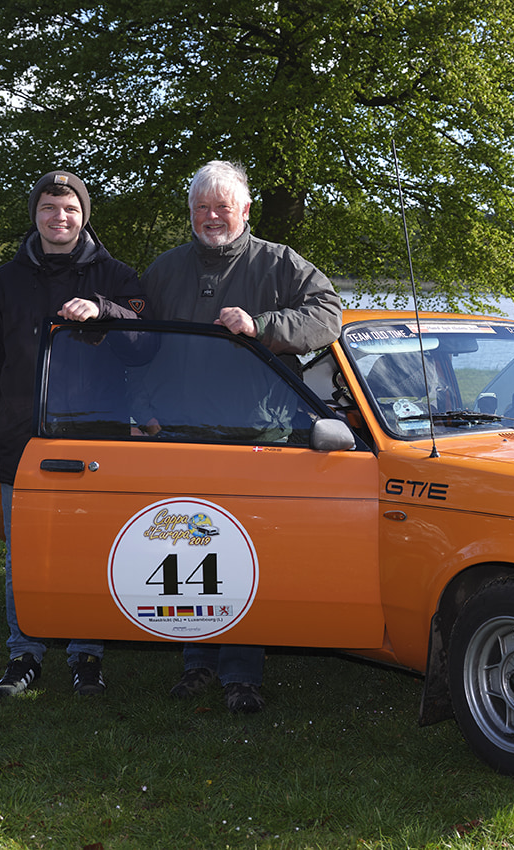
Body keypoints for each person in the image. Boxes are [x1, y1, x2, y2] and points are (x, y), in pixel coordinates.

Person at [141, 159, 341, 714]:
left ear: (244, 211)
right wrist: (142, 408)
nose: (211, 217)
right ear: (190, 212)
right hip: (180, 437)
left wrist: (263, 326)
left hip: (259, 438)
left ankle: (242, 673)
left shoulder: (279, 263)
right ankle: (195, 661)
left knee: (241, 555)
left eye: (222, 207)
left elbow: (328, 317)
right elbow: (134, 346)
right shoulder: (164, 271)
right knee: (184, 548)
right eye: (201, 208)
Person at [0, 170, 147, 698]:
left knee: (91, 550)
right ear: (35, 214)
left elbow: (146, 345)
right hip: (23, 445)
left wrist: (104, 312)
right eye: (48, 208)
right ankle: (25, 653)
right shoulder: (2, 284)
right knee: (28, 555)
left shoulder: (118, 276)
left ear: (84, 214)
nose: (58, 218)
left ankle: (88, 654)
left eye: (68, 208)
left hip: (98, 444)